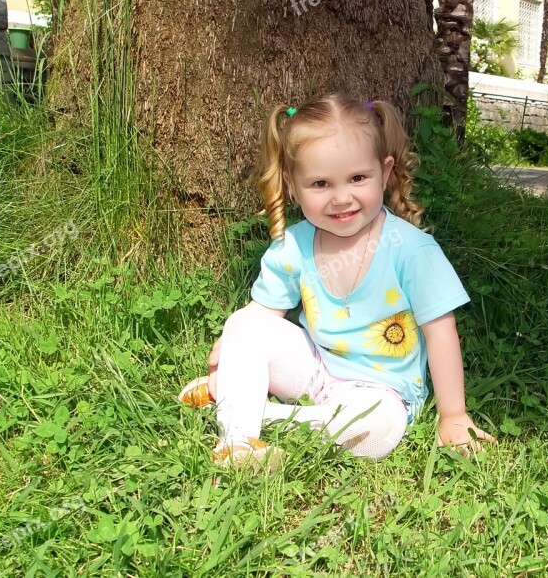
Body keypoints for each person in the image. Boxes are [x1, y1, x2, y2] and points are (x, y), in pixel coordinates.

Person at [179, 94, 496, 469]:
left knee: (380, 430)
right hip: (314, 369)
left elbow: (441, 332)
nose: (341, 198)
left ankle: (255, 409)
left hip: (383, 392)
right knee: (244, 323)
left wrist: (453, 414)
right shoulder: (293, 244)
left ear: (385, 171)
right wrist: (231, 343)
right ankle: (238, 442)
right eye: (320, 184)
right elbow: (262, 314)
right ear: (292, 186)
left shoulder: (412, 250)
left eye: (358, 178)